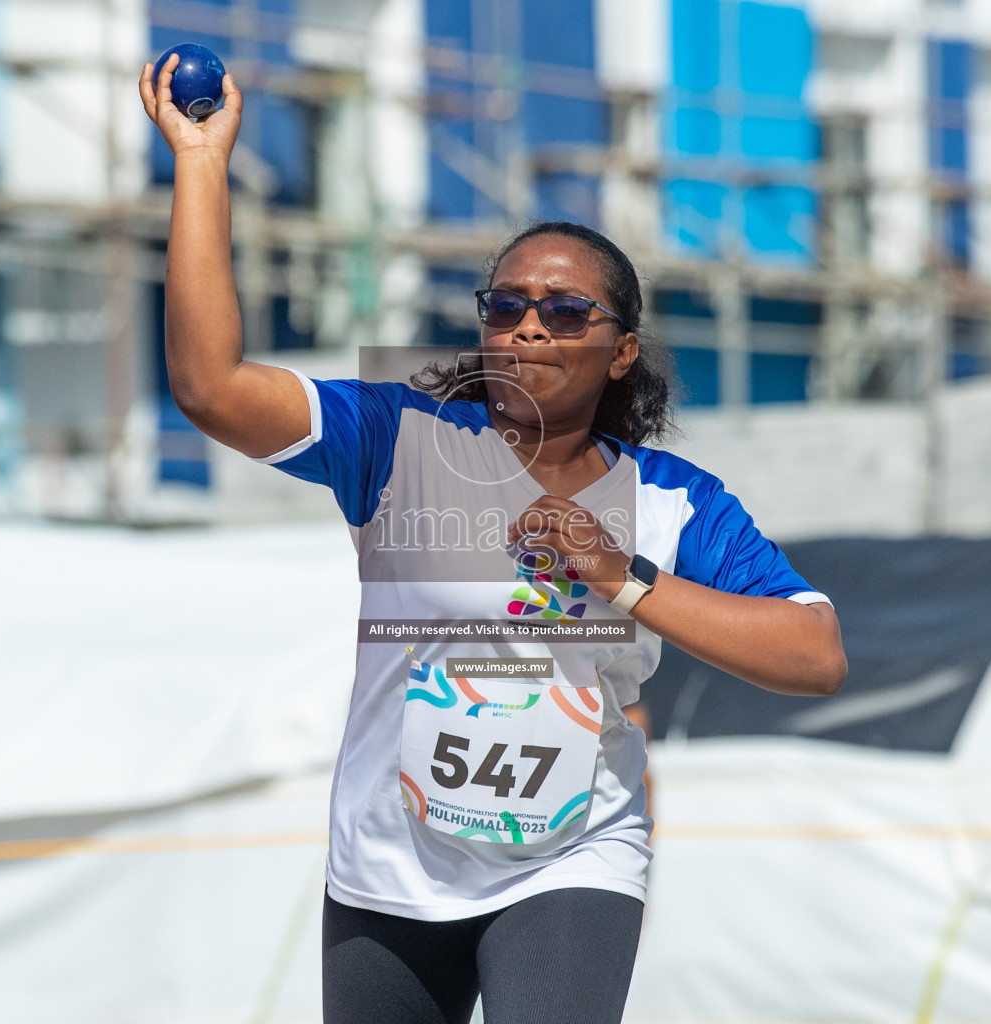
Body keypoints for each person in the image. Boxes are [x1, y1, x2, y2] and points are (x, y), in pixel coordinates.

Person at [140, 56, 847, 1024]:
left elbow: (814, 655)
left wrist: (623, 576)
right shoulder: (398, 440)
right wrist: (201, 159)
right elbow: (210, 389)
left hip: (571, 851)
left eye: (564, 312)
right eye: (505, 306)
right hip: (390, 860)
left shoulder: (674, 500)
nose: (528, 327)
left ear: (620, 349)